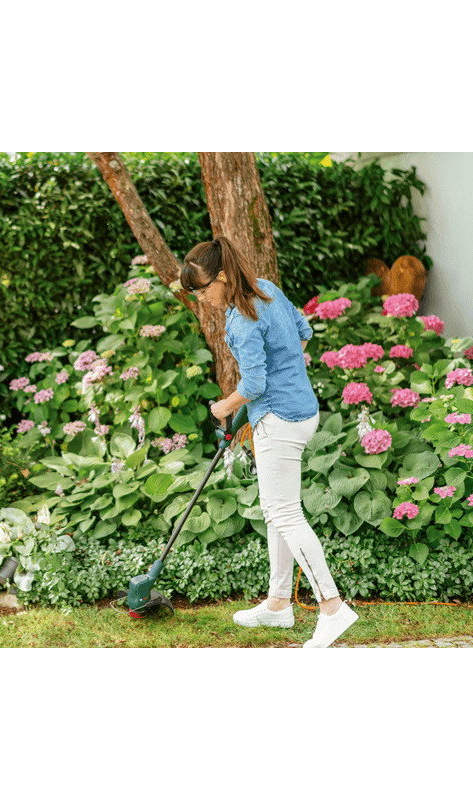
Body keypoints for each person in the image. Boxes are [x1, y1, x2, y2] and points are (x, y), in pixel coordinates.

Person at [180, 234, 358, 648]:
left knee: (284, 512)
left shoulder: (242, 319)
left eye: (203, 290)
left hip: (279, 419)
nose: (202, 299)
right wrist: (285, 372)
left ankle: (332, 607)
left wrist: (224, 406)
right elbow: (303, 332)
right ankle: (278, 603)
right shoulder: (267, 289)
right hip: (302, 410)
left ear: (222, 277)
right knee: (277, 511)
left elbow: (255, 384)